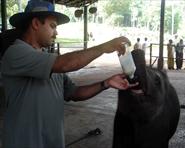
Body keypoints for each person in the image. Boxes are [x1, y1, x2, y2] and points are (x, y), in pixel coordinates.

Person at [1, 1, 133, 148]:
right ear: (36, 23)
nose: (56, 33)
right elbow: (66, 64)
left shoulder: (50, 61)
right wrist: (103, 48)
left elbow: (74, 93)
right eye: (53, 26)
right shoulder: (16, 53)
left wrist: (106, 83)